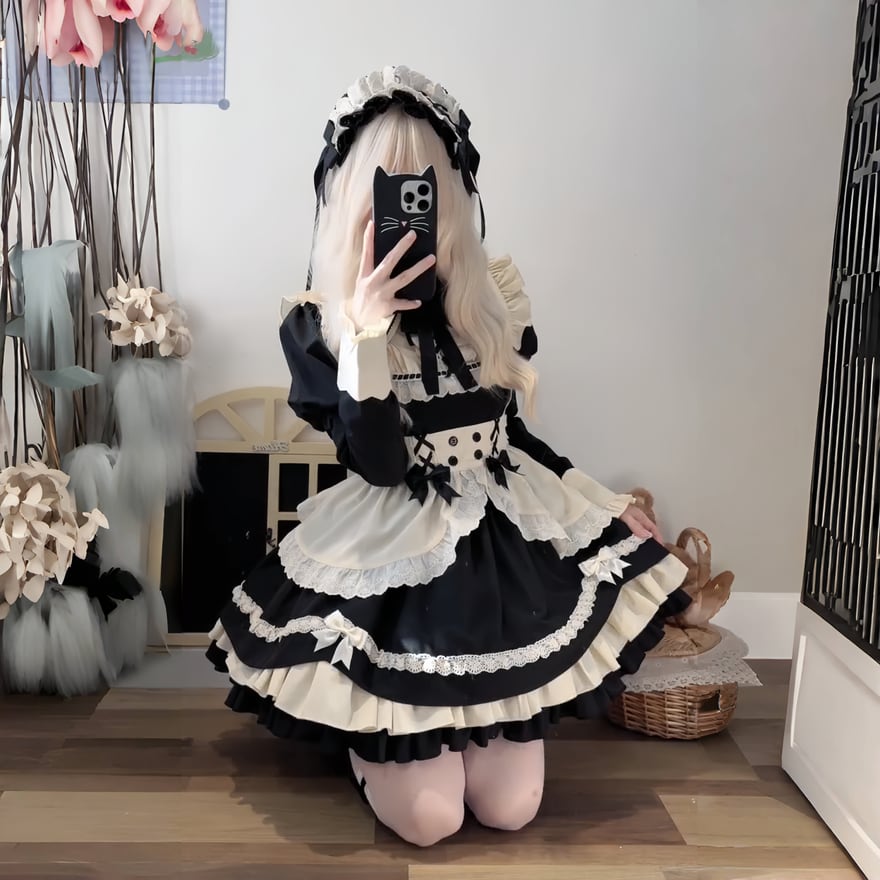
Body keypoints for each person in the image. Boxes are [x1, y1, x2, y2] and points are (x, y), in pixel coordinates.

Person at [208, 65, 689, 847]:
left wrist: (601, 501)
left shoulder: (490, 299)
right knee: (432, 820)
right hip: (396, 543)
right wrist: (366, 335)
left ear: (453, 196)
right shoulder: (321, 325)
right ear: (352, 197)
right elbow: (379, 464)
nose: (406, 207)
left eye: (423, 186)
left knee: (511, 808)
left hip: (500, 531)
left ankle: (454, 743)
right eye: (385, 186)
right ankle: (373, 748)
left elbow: (511, 436)